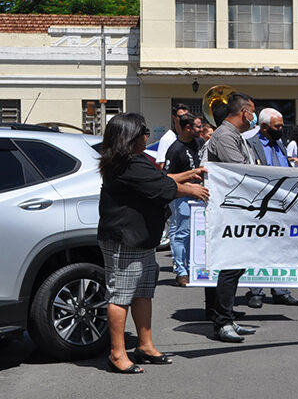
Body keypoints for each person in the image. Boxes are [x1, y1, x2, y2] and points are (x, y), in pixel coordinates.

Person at [98, 112, 209, 373]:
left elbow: (161, 180)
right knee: (120, 296)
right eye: (143, 132)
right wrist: (193, 189)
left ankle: (145, 345)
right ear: (130, 138)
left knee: (143, 292)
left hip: (143, 239)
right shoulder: (126, 164)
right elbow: (162, 188)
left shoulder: (135, 161)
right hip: (126, 240)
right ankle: (117, 353)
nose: (148, 136)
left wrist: (188, 174)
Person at [202, 89, 260, 342]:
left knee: (236, 266)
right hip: (229, 210)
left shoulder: (237, 135)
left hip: (239, 210)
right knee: (229, 266)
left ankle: (227, 317)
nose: (254, 118)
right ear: (244, 112)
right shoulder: (225, 135)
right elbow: (240, 171)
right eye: (253, 113)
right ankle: (221, 323)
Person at [244, 108, 298, 308]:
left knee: (280, 248)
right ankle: (256, 291)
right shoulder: (250, 145)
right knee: (258, 247)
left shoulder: (280, 144)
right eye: (277, 126)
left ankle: (281, 290)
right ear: (264, 127)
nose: (281, 129)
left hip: (281, 205)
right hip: (260, 205)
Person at [162, 113, 203, 287]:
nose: (201, 130)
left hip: (199, 196)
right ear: (188, 128)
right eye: (198, 127)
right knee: (181, 234)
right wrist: (188, 180)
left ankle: (193, 267)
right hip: (181, 198)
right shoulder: (175, 149)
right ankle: (181, 272)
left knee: (196, 235)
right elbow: (167, 177)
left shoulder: (199, 143)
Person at [154, 102, 189, 169]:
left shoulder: (191, 136)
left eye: (187, 116)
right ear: (174, 118)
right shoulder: (166, 139)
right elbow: (162, 166)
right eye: (181, 117)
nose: (185, 119)